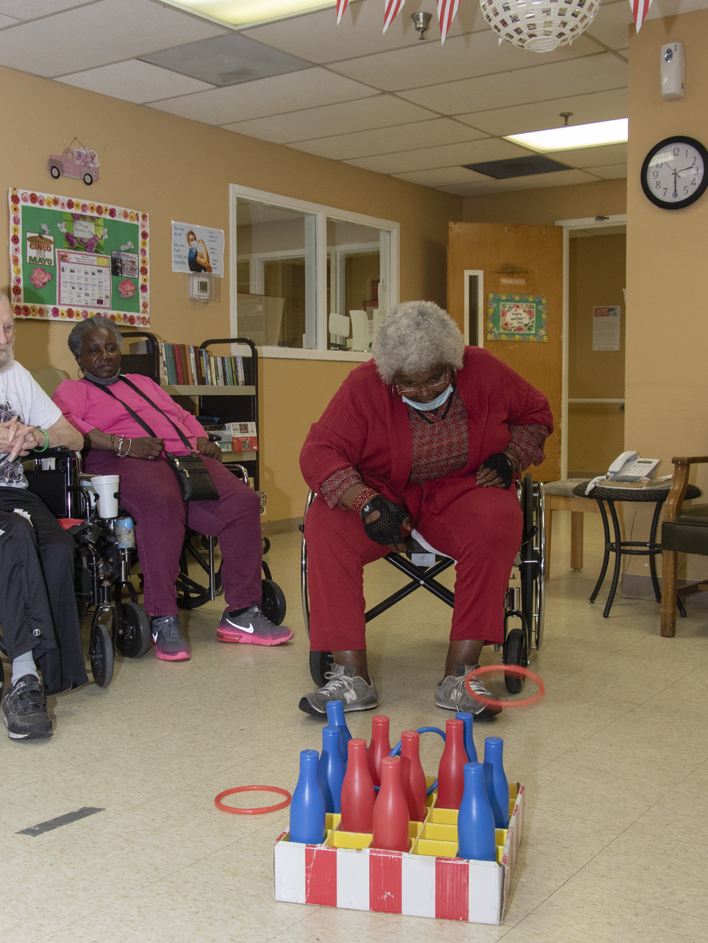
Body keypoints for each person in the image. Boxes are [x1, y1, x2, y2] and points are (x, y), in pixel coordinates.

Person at [299, 300, 553, 718]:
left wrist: (512, 458)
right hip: (384, 492)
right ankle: (350, 677)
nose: (424, 392)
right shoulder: (363, 386)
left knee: (499, 520)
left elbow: (535, 415)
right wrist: (364, 501)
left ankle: (461, 675)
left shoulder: (485, 369)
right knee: (325, 524)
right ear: (389, 376)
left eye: (435, 378)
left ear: (453, 362)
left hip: (463, 489)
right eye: (408, 385)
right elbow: (319, 451)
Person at [55, 315, 293, 660]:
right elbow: (71, 430)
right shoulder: (72, 391)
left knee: (242, 502)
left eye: (110, 348)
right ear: (78, 358)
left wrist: (200, 438)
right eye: (93, 351)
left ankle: (241, 614)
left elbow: (180, 415)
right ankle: (164, 618)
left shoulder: (142, 383)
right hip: (122, 461)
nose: (104, 356)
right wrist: (124, 445)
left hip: (182, 458)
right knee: (162, 504)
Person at [0, 285, 87, 740]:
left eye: (7, 327)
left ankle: (54, 670)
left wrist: (37, 438)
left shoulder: (16, 374)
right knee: (12, 535)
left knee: (57, 545)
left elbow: (74, 437)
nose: (2, 338)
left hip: (11, 492)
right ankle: (25, 680)